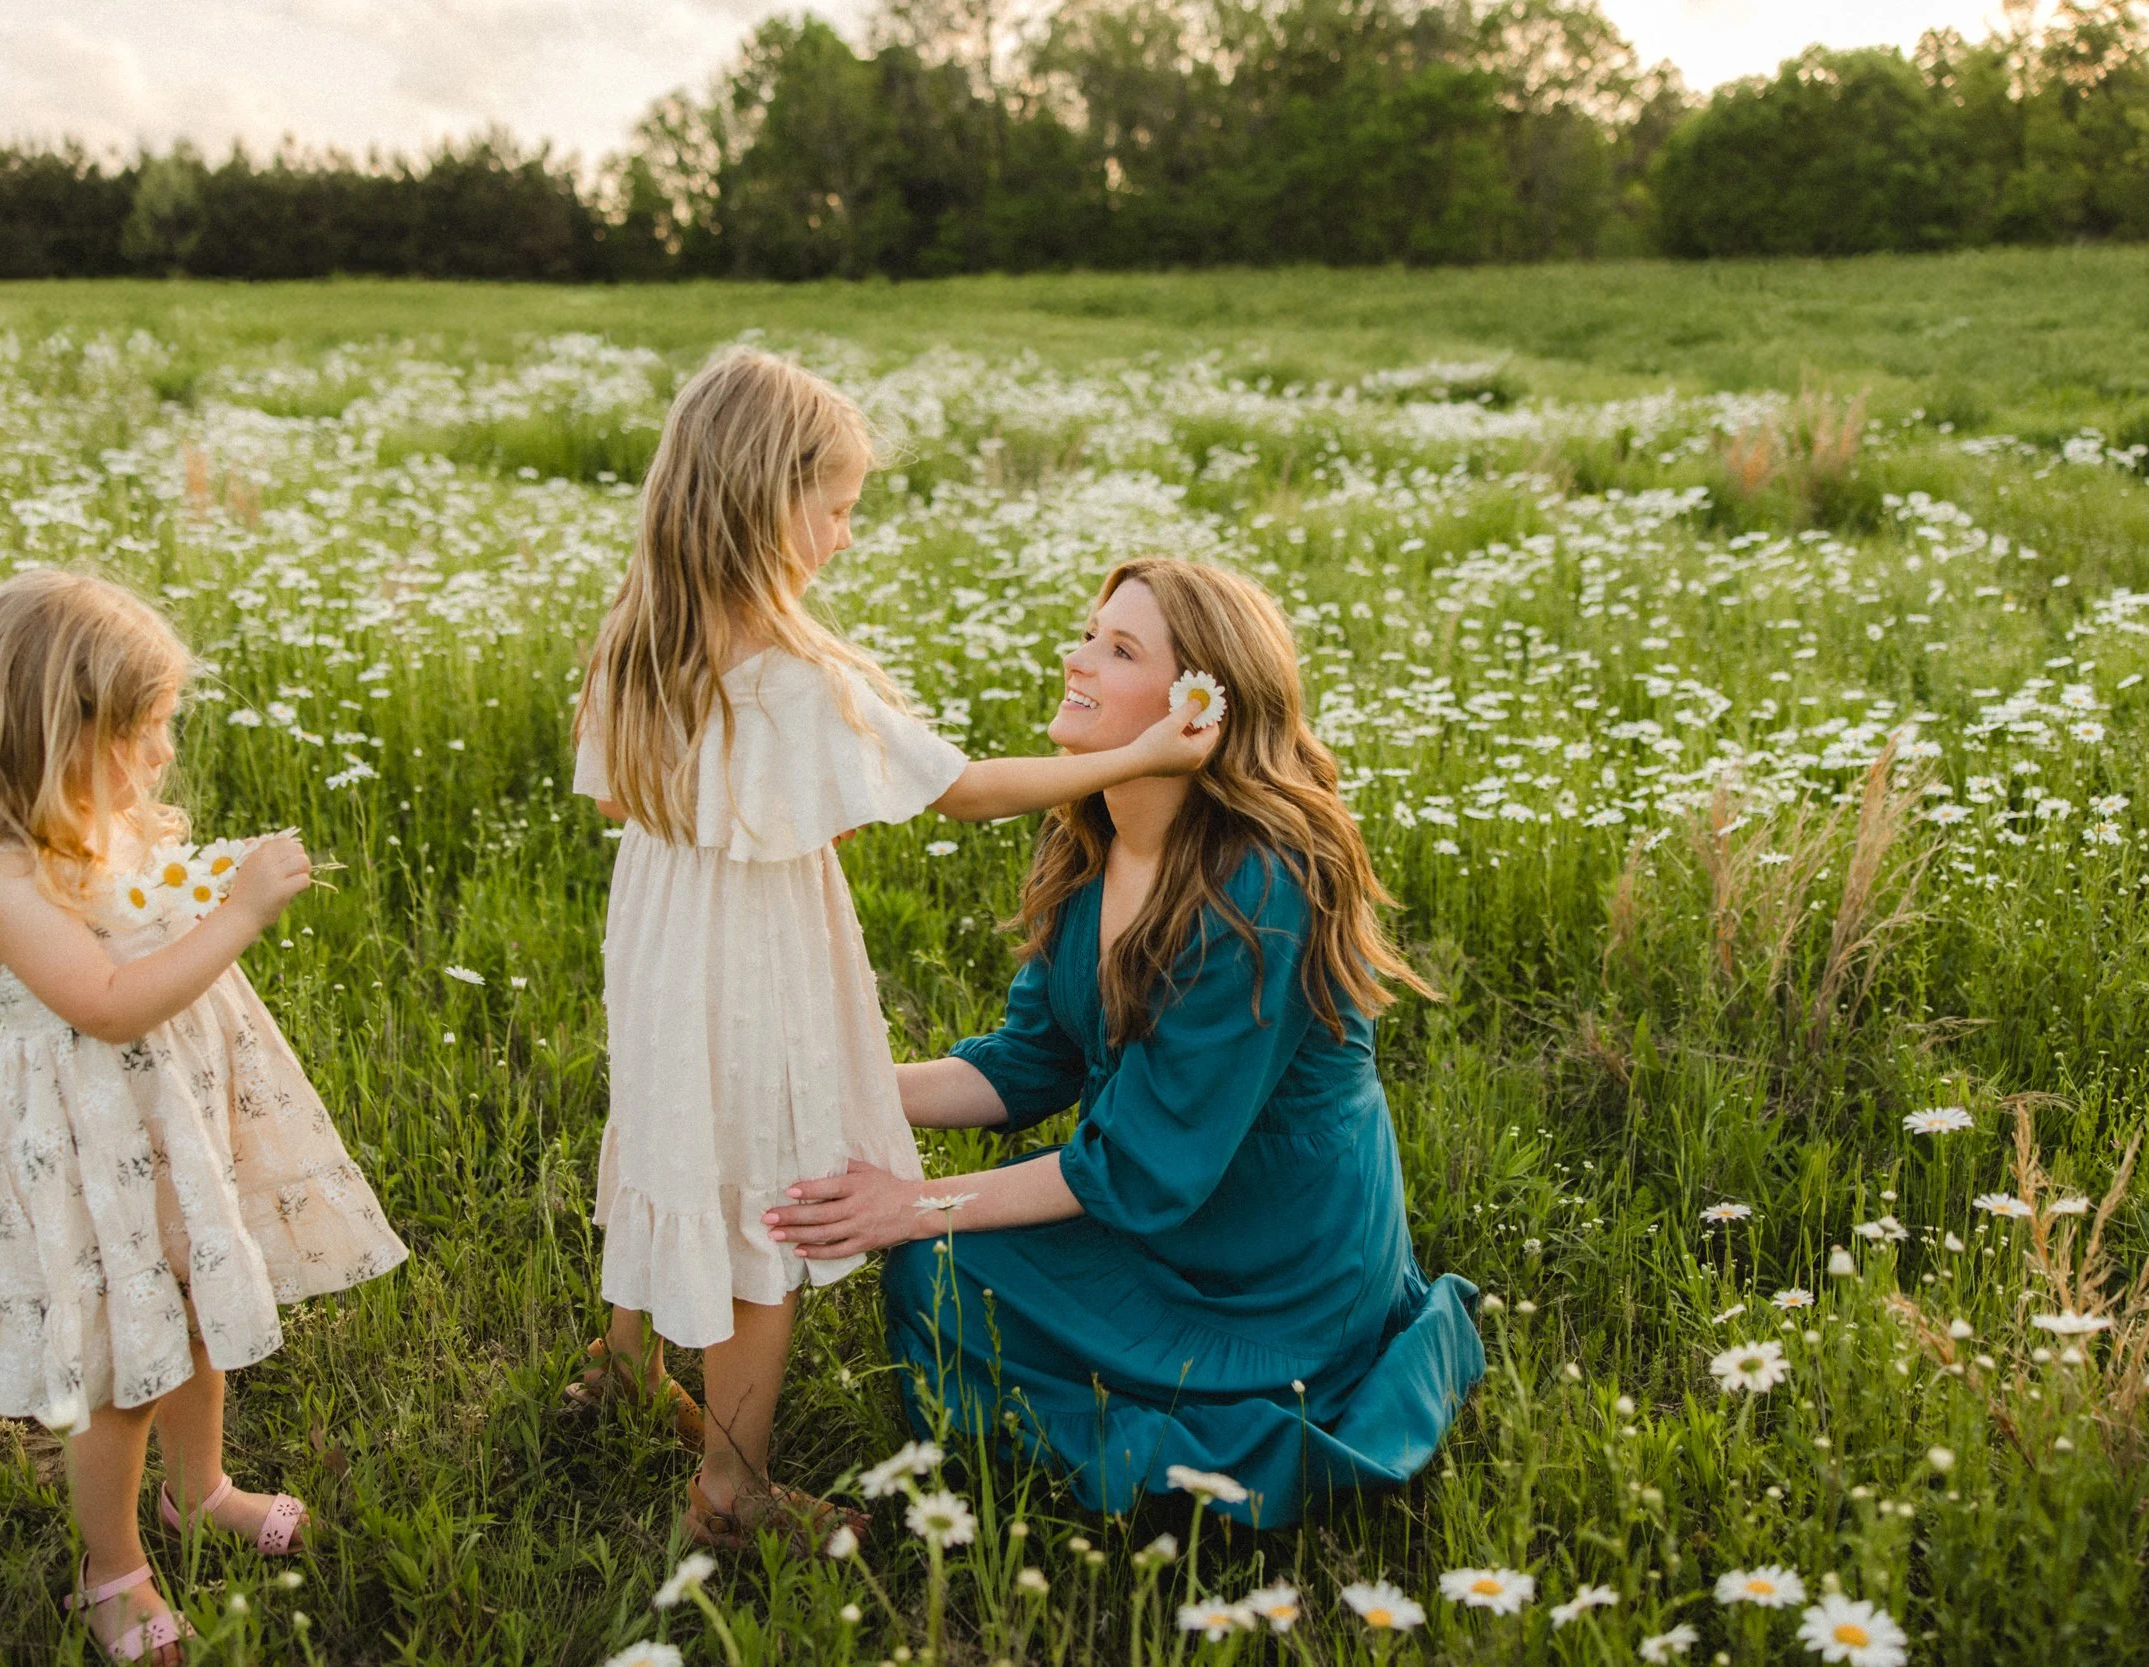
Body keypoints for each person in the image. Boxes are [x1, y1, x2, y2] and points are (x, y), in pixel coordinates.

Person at [568, 348, 1218, 1550]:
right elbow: (961, 791)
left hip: (657, 936)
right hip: (751, 952)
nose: (845, 538)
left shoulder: (642, 634)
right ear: (772, 504)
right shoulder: (795, 676)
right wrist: (1137, 758)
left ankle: (619, 1365)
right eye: (838, 510)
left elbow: (621, 802)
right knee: (769, 1189)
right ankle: (731, 1486)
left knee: (669, 1123)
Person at [760, 557, 1485, 1526]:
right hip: (1160, 1202)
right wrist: (832, 1083)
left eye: (1119, 647)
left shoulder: (1258, 888)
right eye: (1089, 632)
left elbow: (1142, 1167)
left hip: (1274, 1257)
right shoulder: (1091, 838)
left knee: (932, 1248)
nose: (1077, 656)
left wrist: (912, 1201)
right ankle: (1087, 1431)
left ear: (1198, 704)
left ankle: (1156, 1470)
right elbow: (1027, 1062)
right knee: (939, 1267)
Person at [0, 570, 406, 1662]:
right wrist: (237, 911)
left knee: (195, 1309)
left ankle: (203, 1488)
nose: (163, 752)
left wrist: (197, 877)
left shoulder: (94, 829)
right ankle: (112, 1566)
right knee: (124, 1361)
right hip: (96, 1147)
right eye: (145, 728)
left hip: (168, 1130)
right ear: (62, 728)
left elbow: (141, 924)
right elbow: (106, 999)